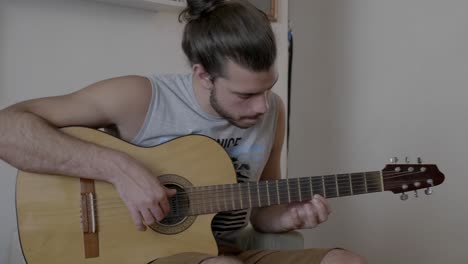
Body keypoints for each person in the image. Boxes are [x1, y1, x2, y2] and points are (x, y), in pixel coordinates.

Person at [0, 0, 366, 263]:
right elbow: (7, 128)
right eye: (246, 94)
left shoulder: (274, 112)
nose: (262, 106)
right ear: (202, 74)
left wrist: (287, 217)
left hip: (225, 251)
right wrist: (120, 170)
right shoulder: (140, 97)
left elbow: (261, 210)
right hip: (148, 253)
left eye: (268, 88)